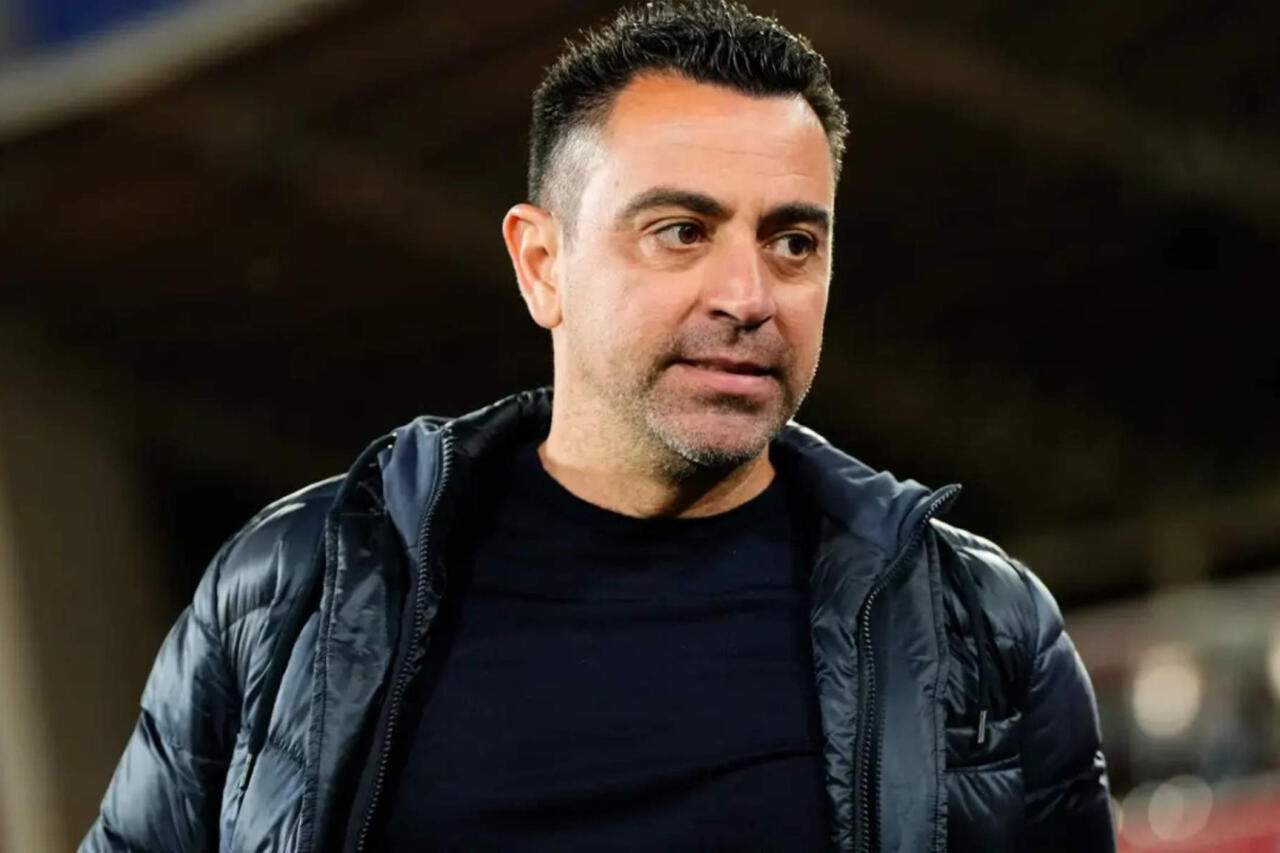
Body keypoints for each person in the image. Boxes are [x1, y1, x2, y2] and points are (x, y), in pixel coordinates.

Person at [82, 2, 1115, 851]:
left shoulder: (980, 623)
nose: (749, 295)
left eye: (793, 241)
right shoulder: (295, 585)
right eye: (681, 231)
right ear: (541, 265)